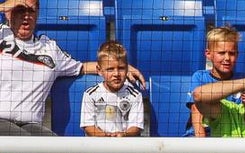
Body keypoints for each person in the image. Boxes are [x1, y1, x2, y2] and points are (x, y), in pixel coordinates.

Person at [0, 0, 144, 136]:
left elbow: (81, 67)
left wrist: (122, 67)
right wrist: (2, 6)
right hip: (1, 120)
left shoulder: (50, 48)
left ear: (37, 14)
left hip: (30, 124)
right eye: (19, 10)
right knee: (26, 143)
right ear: (8, 12)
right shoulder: (2, 35)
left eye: (31, 11)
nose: (26, 16)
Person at [80, 41, 143, 138]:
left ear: (127, 69)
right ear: (99, 71)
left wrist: (123, 135)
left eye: (121, 68)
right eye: (110, 69)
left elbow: (136, 127)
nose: (116, 74)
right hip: (98, 146)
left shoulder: (134, 95)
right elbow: (88, 126)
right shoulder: (90, 94)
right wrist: (105, 137)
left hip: (124, 146)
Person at [188, 26, 241, 138]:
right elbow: (196, 109)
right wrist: (202, 143)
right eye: (221, 53)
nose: (227, 58)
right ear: (208, 54)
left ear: (237, 55)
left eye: (232, 53)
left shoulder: (240, 82)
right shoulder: (200, 77)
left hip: (230, 135)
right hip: (202, 135)